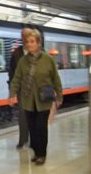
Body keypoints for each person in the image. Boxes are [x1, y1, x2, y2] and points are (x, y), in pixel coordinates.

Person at [8, 28, 62, 165]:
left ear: (38, 43)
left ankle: (42, 154)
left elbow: (56, 79)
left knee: (41, 127)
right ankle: (36, 152)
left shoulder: (48, 59)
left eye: (32, 42)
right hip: (27, 100)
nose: (29, 44)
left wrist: (59, 96)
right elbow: (17, 78)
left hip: (43, 99)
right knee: (32, 128)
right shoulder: (23, 61)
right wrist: (12, 94)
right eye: (27, 42)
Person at [8, 26, 32, 148]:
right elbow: (12, 73)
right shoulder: (16, 53)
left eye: (27, 36)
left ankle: (34, 140)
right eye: (23, 36)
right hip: (22, 90)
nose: (24, 38)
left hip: (36, 91)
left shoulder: (40, 52)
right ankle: (23, 140)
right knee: (22, 116)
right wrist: (12, 92)